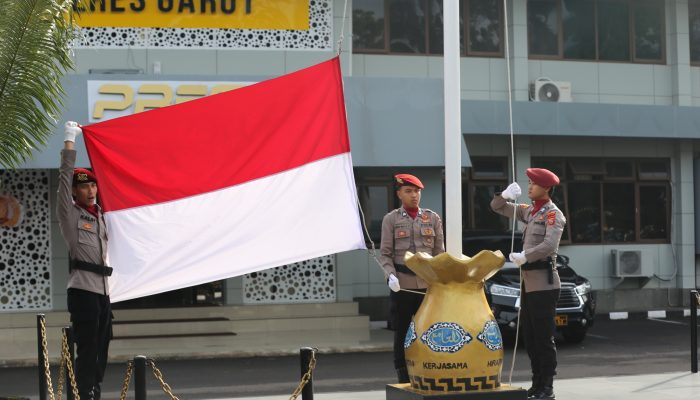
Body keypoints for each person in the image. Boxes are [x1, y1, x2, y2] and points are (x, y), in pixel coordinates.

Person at [490, 168, 565, 400]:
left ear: (546, 188)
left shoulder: (553, 214)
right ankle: (536, 384)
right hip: (528, 284)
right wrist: (504, 195)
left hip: (544, 283)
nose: (529, 187)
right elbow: (498, 208)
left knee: (543, 338)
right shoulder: (530, 212)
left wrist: (526, 255)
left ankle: (547, 387)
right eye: (529, 183)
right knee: (530, 338)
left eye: (534, 184)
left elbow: (550, 245)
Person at [57, 121, 113, 400]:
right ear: (74, 192)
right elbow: (65, 175)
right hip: (82, 290)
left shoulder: (102, 215)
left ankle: (95, 387)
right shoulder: (70, 215)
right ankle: (84, 392)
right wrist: (70, 140)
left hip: (103, 291)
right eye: (84, 187)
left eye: (92, 185)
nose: (90, 190)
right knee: (88, 345)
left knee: (103, 344)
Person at [379, 173, 445, 383]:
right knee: (403, 330)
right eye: (408, 191)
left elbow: (439, 254)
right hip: (403, 284)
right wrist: (390, 276)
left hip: (427, 286)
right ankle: (403, 374)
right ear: (399, 194)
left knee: (428, 330)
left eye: (417, 191)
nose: (414, 195)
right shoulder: (391, 219)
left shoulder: (432, 218)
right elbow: (386, 254)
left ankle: (427, 370)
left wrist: (440, 281)